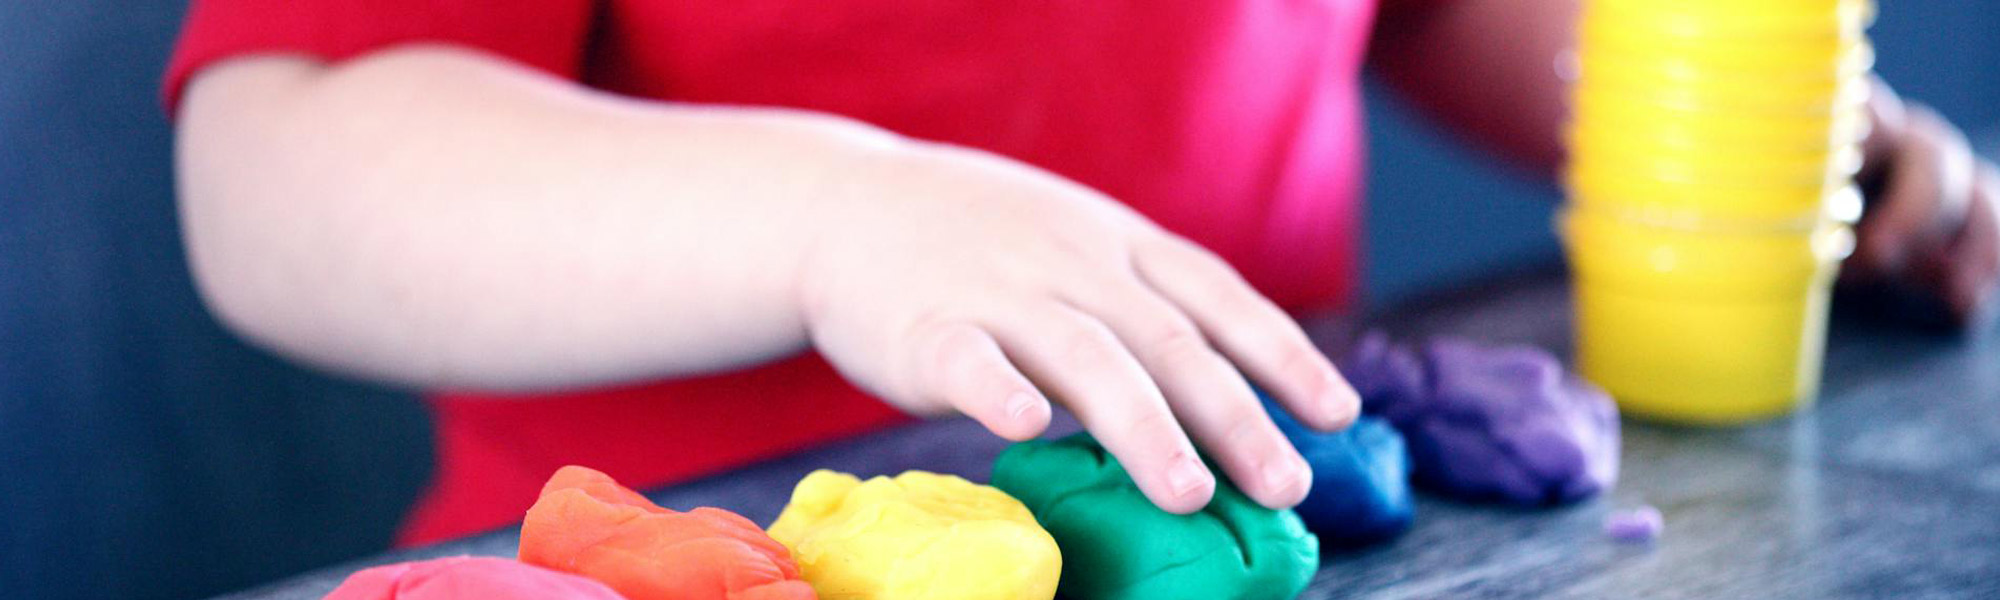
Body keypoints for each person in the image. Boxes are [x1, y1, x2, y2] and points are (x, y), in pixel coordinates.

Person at [166, 0, 1999, 544]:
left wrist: (1748, 138)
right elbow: (279, 164)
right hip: (689, 557)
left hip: (1256, 526)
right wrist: (831, 218)